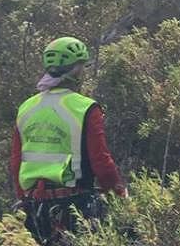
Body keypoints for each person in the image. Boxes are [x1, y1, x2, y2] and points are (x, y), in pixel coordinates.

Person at [10, 36, 127, 244]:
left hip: (37, 209)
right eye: (82, 67)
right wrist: (118, 193)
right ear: (76, 70)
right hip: (76, 206)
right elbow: (101, 161)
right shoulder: (85, 108)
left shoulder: (26, 108)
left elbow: (16, 162)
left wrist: (25, 200)